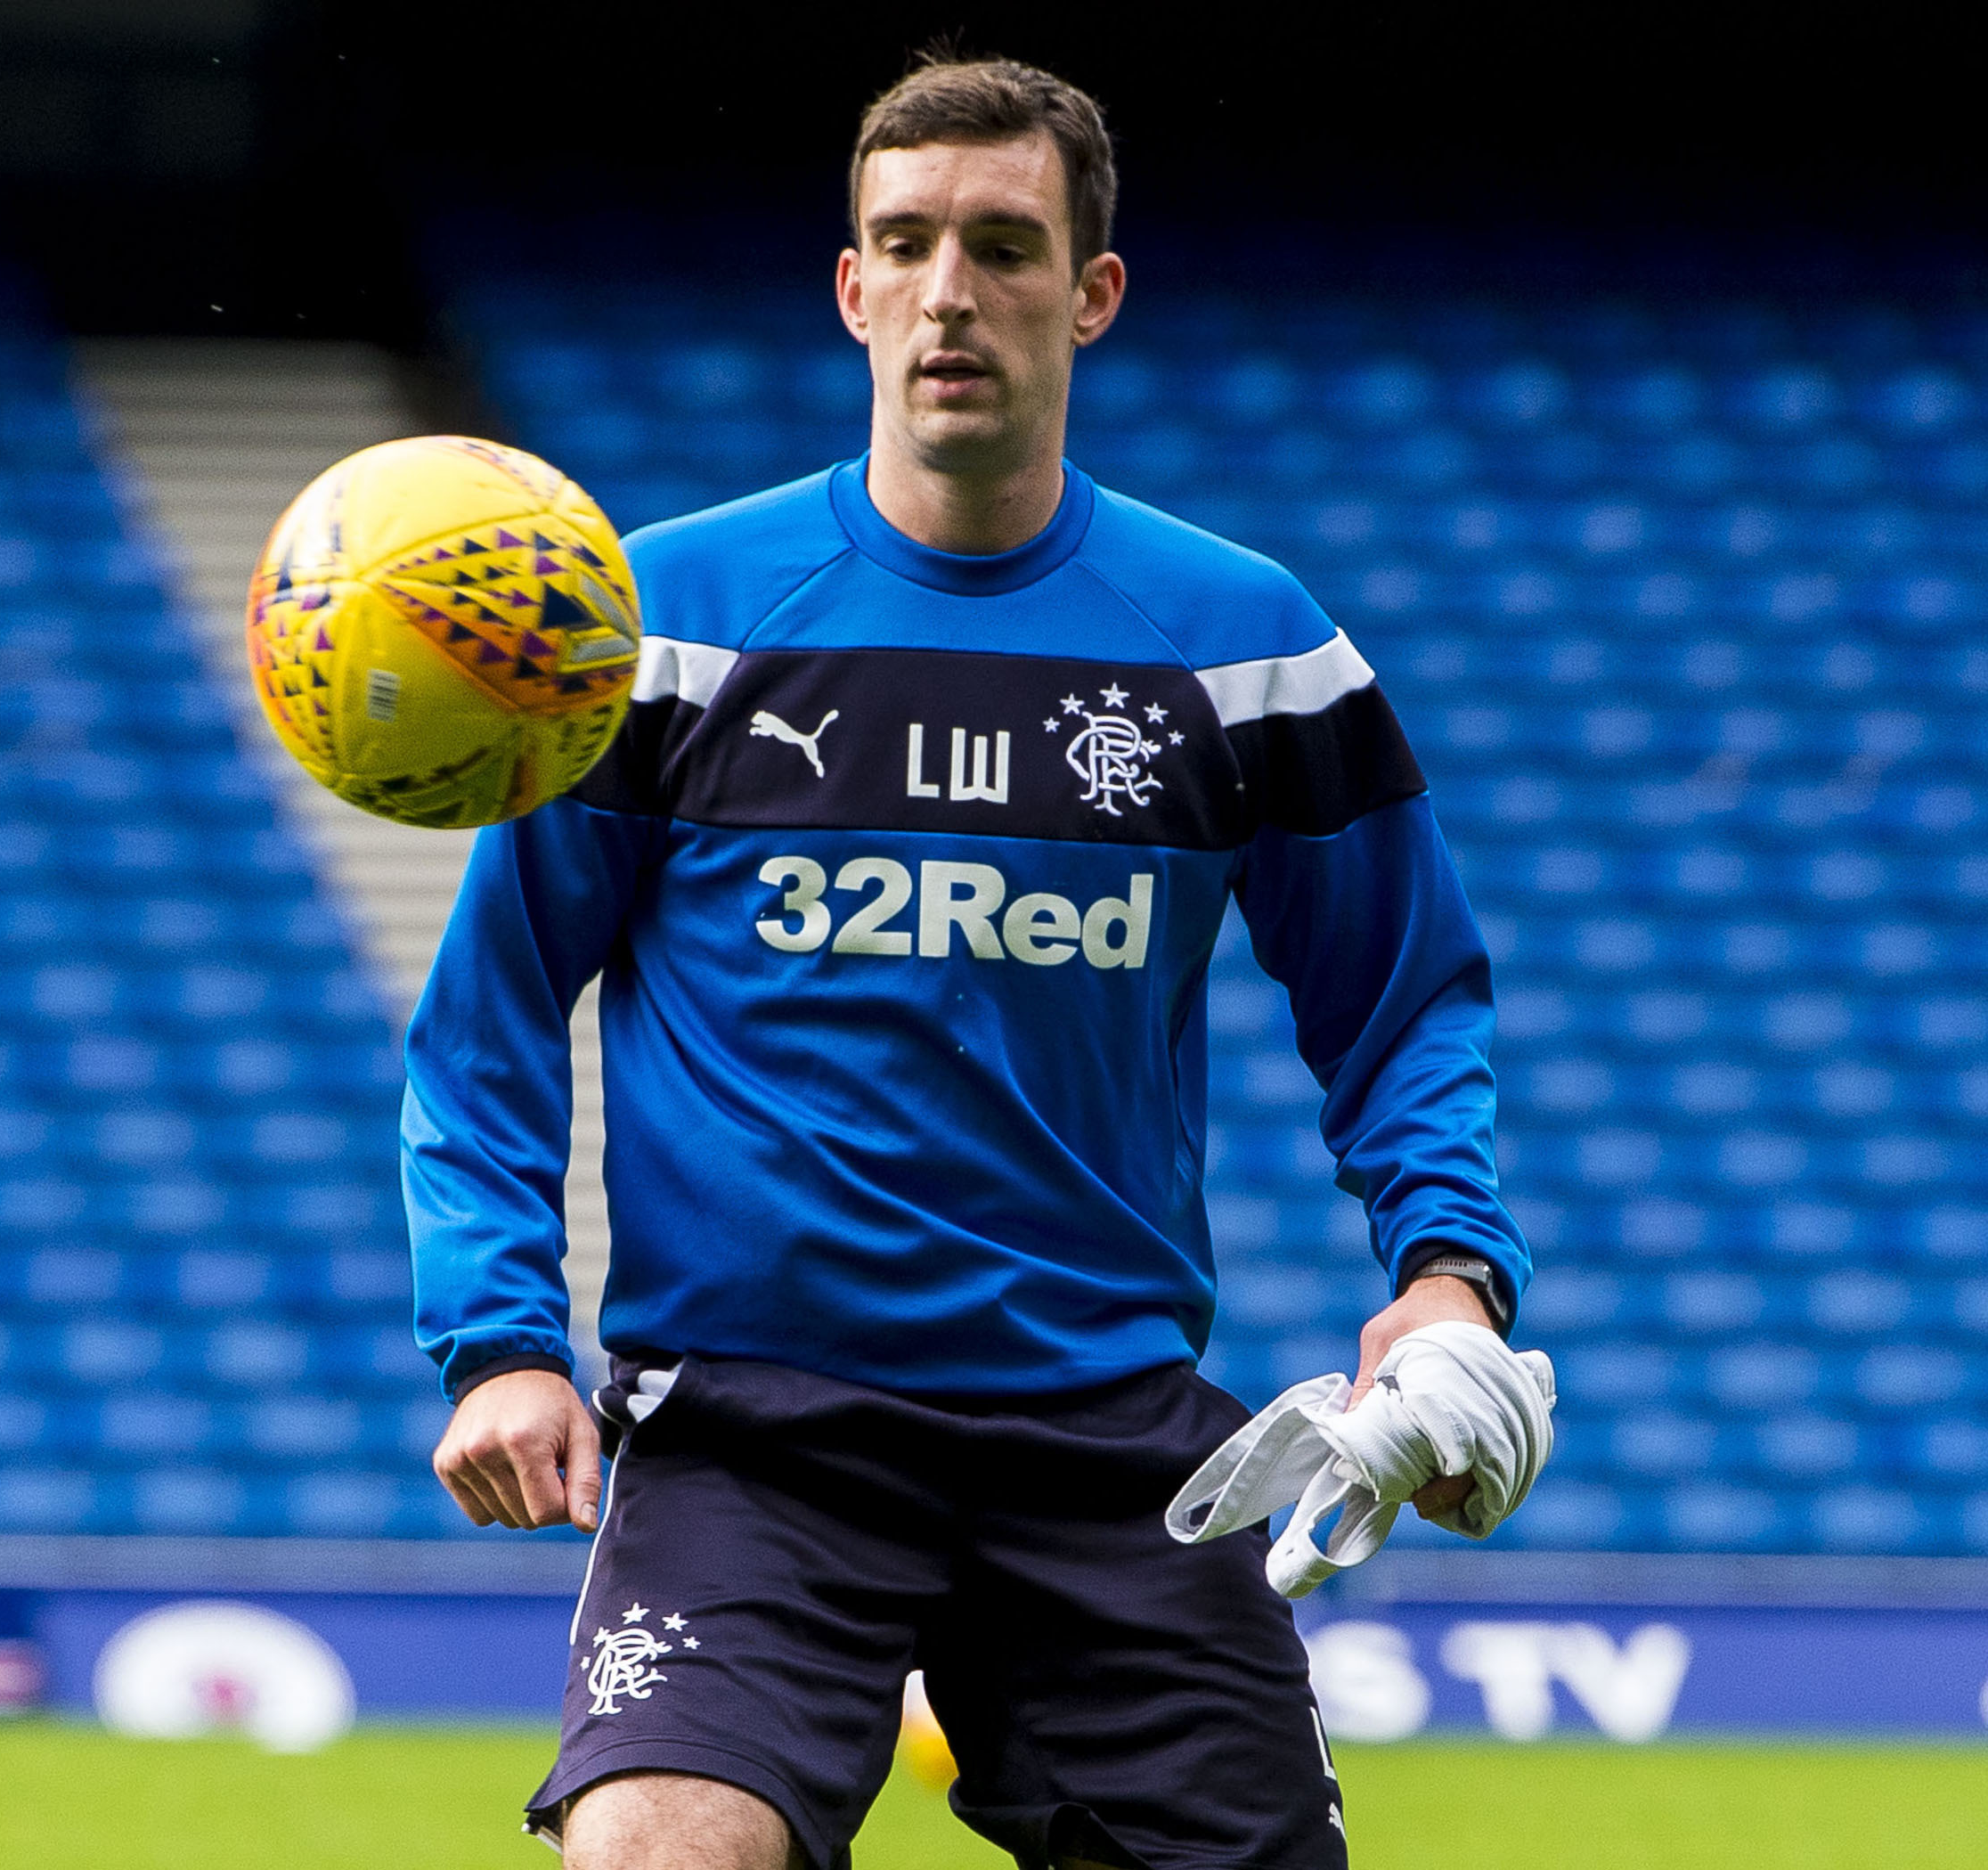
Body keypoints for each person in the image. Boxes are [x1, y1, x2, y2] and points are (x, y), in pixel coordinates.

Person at [401, 52, 1527, 1870]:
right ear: (849, 288)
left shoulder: (1246, 647)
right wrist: (495, 1344)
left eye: (1002, 246)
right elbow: (486, 1025)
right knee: (660, 1852)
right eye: (903, 244)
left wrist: (1452, 1275)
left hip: (1108, 1444)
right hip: (749, 1436)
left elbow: (1402, 1003)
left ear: (1089, 294)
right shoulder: (657, 628)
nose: (948, 290)